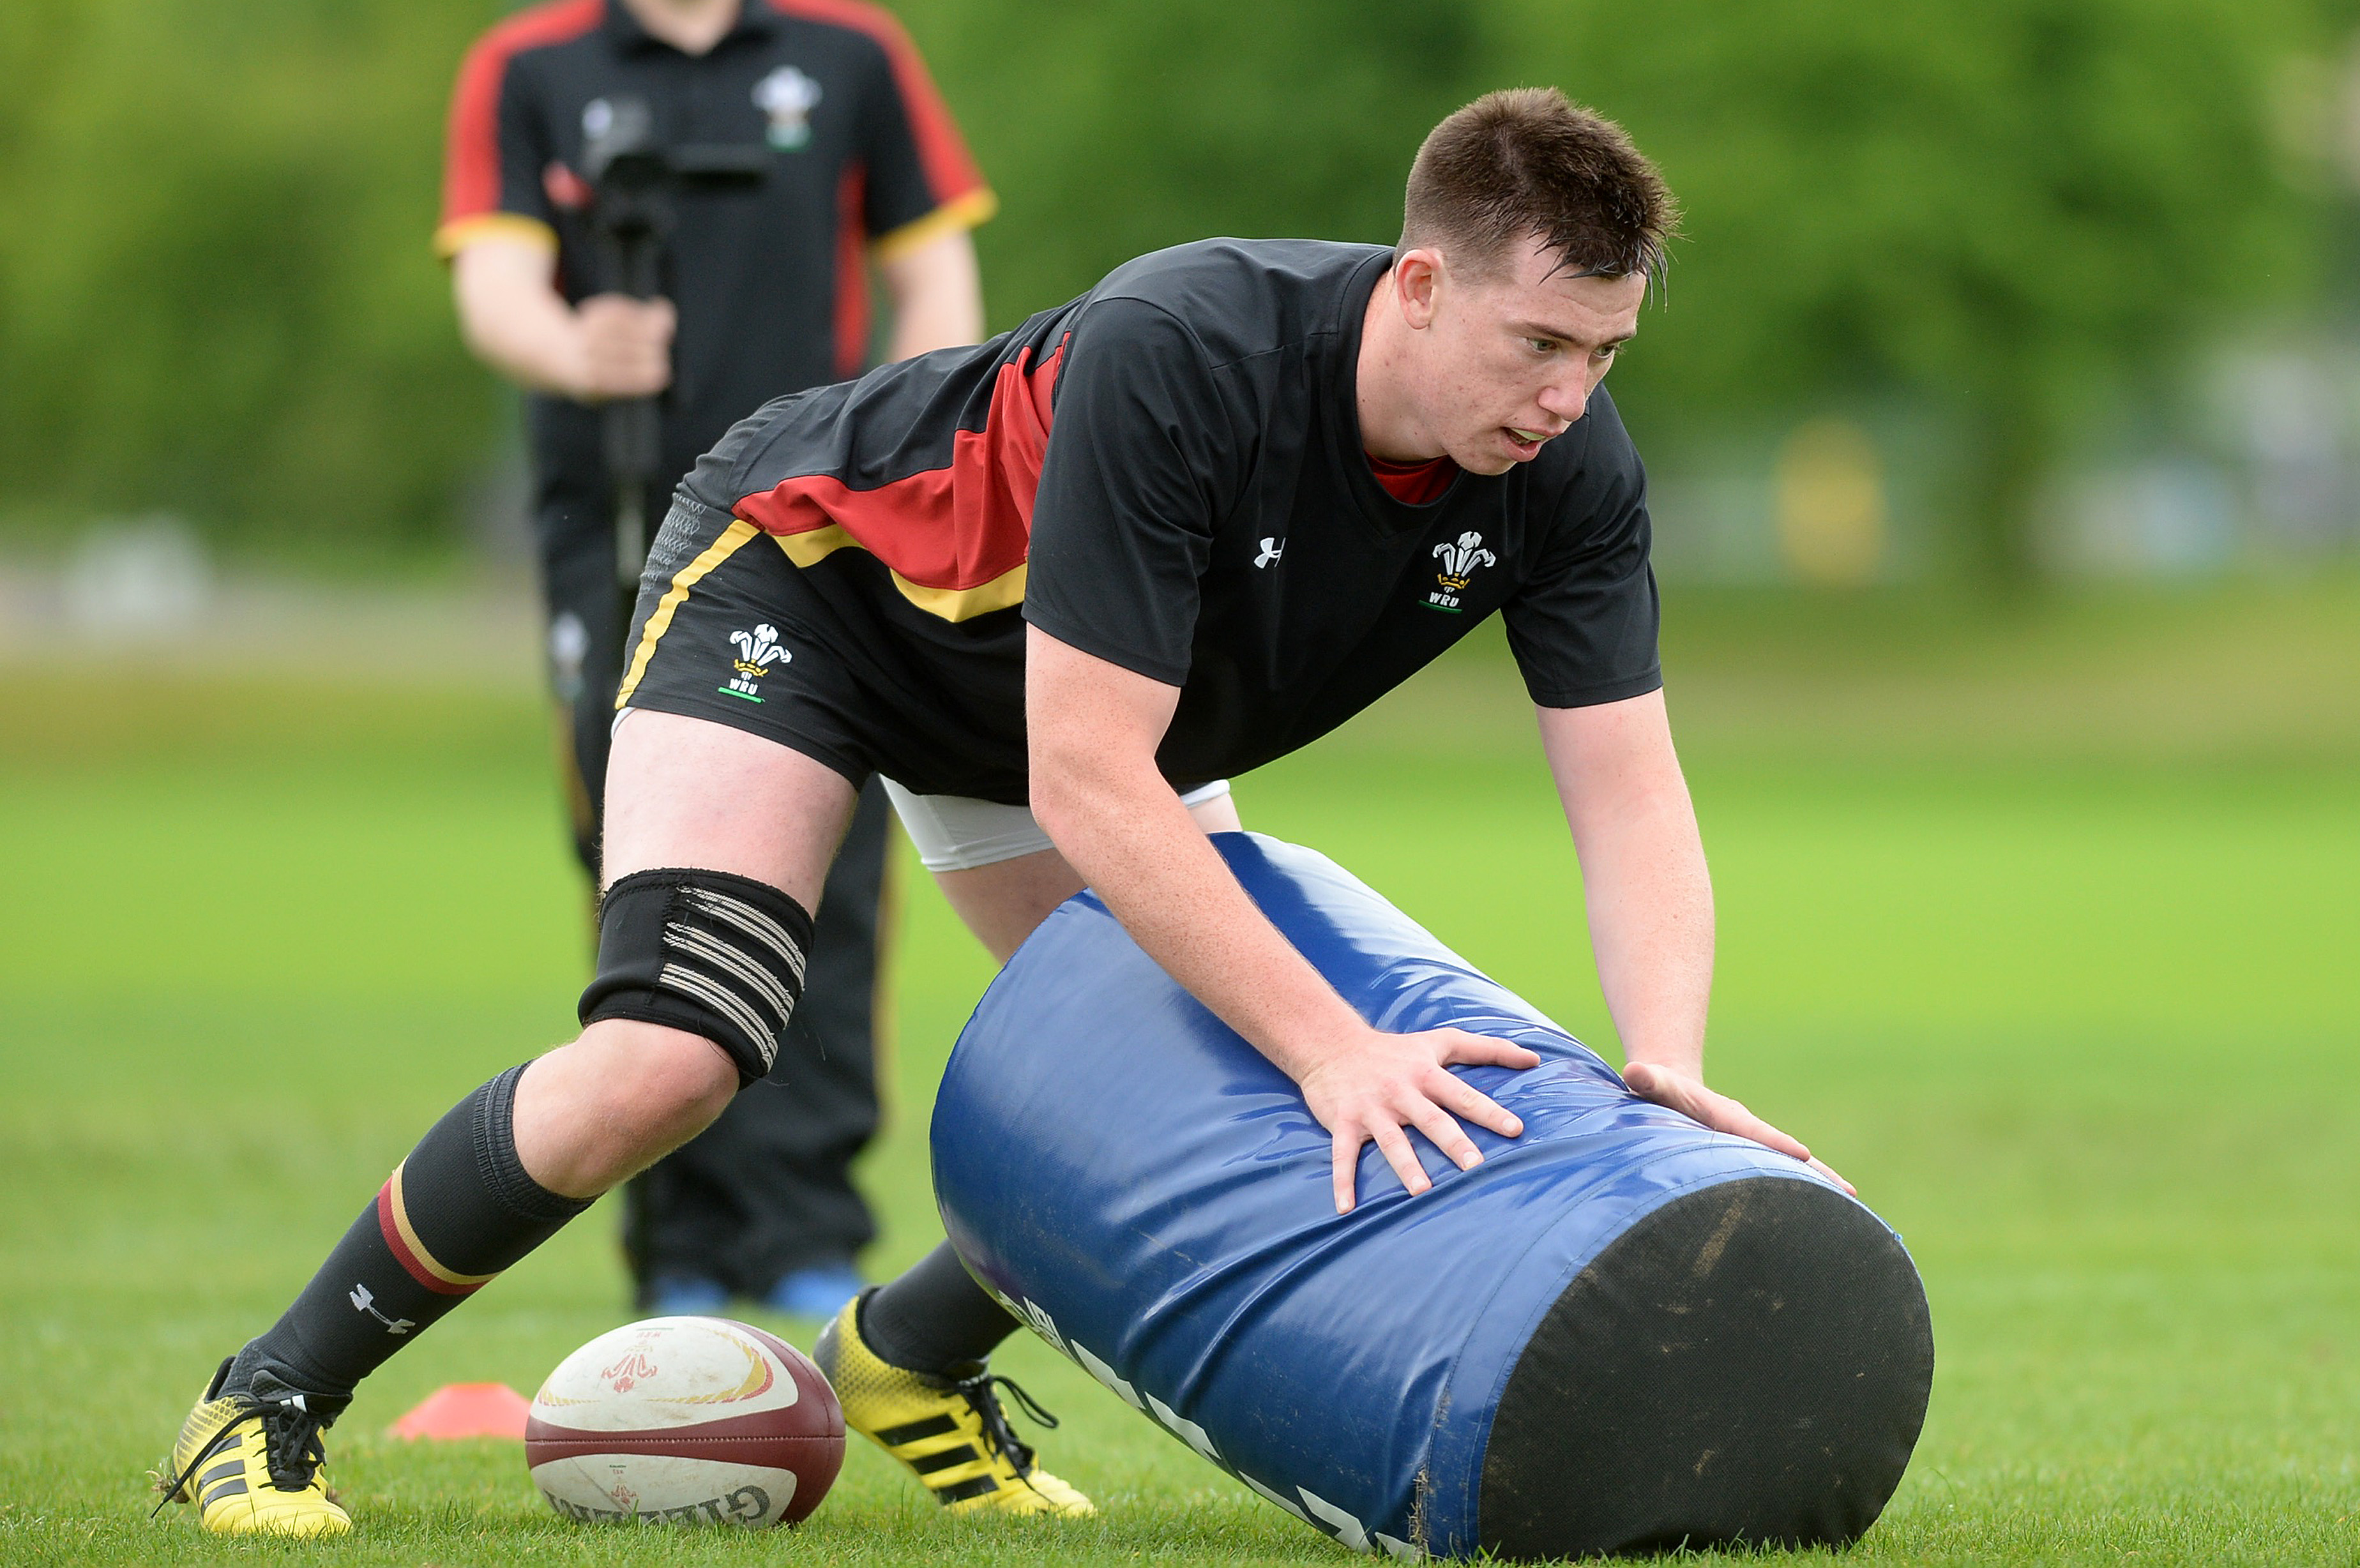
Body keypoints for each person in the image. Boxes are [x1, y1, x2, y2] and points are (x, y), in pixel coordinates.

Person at [159, 87, 1850, 1537]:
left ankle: (904, 1358)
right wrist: (1337, 1044)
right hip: (813, 591)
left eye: (1602, 353)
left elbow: (1629, 788)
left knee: (1167, 1100)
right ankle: (264, 1397)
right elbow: (1096, 781)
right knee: (683, 1049)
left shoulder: (1568, 474)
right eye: (1537, 342)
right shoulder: (1189, 351)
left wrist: (1668, 1057)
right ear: (1416, 285)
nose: (1566, 394)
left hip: (1065, 706)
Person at [436, 0, 993, 1319]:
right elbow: (493, 286)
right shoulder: (529, 65)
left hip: (818, 533)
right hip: (614, 530)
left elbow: (936, 274)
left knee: (833, 873)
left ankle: (806, 1228)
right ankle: (674, 1241)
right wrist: (574, 347)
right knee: (641, 869)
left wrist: (911, 431)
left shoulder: (852, 52)